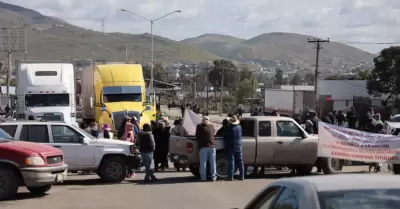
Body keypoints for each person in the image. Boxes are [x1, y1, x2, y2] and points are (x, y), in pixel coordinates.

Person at [195, 115, 216, 182]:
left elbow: (197, 136)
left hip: (203, 147)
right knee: (212, 163)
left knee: (203, 163)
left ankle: (203, 177)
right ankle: (213, 177)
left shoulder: (199, 127)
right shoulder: (211, 126)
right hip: (212, 146)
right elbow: (213, 133)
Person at [224, 116, 244, 181]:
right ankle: (242, 175)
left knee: (231, 161)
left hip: (231, 146)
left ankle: (230, 176)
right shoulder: (239, 127)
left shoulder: (229, 128)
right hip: (239, 145)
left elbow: (225, 136)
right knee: (240, 161)